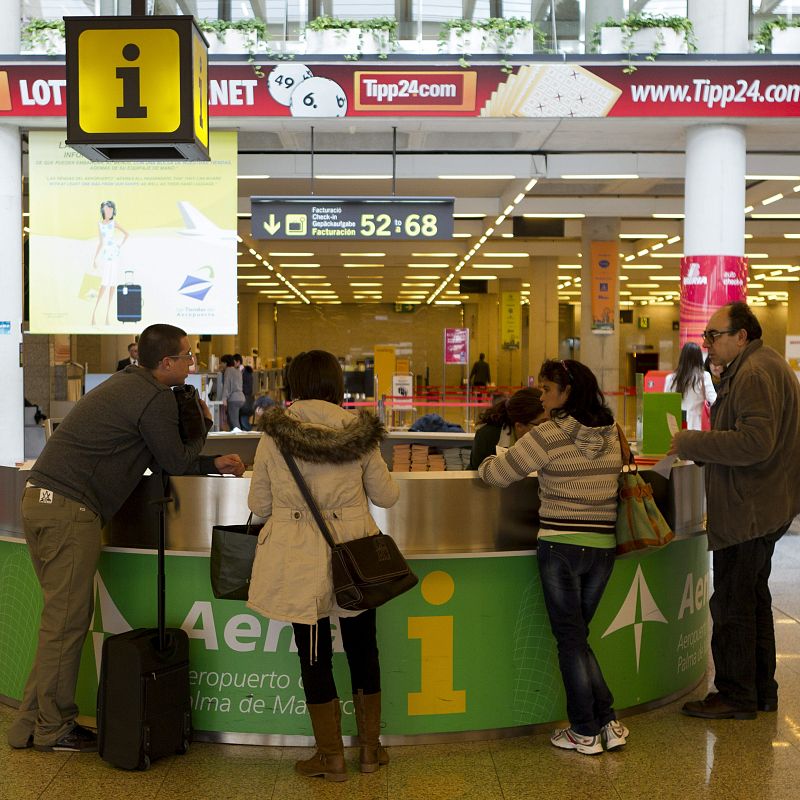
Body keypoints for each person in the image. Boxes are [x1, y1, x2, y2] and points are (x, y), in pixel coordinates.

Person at [7, 324, 245, 754]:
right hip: (70, 511)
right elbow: (172, 458)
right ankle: (54, 729)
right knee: (66, 626)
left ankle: (28, 724)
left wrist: (210, 462)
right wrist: (201, 429)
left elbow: (156, 456)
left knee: (57, 624)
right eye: (188, 357)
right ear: (166, 363)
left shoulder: (125, 385)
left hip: (39, 501)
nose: (192, 365)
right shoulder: (153, 399)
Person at [247, 350, 399, 782]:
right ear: (336, 383)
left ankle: (331, 758)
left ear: (292, 384)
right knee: (363, 648)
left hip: (297, 559)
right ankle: (370, 752)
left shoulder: (275, 435)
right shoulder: (359, 432)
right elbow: (386, 497)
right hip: (354, 557)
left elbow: (258, 504)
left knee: (314, 656)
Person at [478, 358, 627, 755]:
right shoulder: (613, 432)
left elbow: (496, 474)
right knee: (577, 637)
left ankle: (583, 730)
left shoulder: (548, 435)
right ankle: (607, 721)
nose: (541, 395)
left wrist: (493, 456)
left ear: (566, 393)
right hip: (602, 549)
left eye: (546, 388)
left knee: (570, 640)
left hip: (560, 547)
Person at [669, 302, 800, 720]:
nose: (708, 343)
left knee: (732, 606)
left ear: (741, 336)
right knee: (753, 600)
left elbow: (754, 444)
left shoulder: (756, 373)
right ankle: (762, 690)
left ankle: (736, 694)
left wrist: (691, 443)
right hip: (763, 503)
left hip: (749, 508)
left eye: (714, 335)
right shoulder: (756, 366)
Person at [468, 387, 547, 469]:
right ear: (519, 426)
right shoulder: (487, 437)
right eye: (541, 423)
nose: (547, 428)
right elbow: (478, 477)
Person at [91, 200, 128, 327]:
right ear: (103, 210)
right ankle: (94, 314)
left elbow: (126, 234)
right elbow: (101, 242)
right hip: (105, 256)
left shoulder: (114, 223)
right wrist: (94, 258)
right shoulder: (100, 224)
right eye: (107, 209)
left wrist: (119, 246)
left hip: (114, 256)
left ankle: (107, 316)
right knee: (104, 284)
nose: (109, 211)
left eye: (111, 209)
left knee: (112, 284)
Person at [665, 341, 717, 430]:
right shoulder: (704, 376)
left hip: (674, 425)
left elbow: (666, 403)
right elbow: (713, 400)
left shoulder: (670, 378)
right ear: (699, 358)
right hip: (695, 425)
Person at [221, 353, 245, 431]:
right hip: (241, 398)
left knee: (234, 422)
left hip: (233, 399)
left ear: (225, 363)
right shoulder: (237, 371)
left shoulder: (228, 371)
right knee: (232, 421)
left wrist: (224, 398)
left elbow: (227, 386)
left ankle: (240, 440)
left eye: (222, 363)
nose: (221, 365)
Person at [239, 364, 255, 430]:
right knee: (244, 420)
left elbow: (246, 388)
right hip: (249, 399)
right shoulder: (248, 373)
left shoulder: (244, 374)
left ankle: (250, 436)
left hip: (245, 400)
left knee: (244, 422)